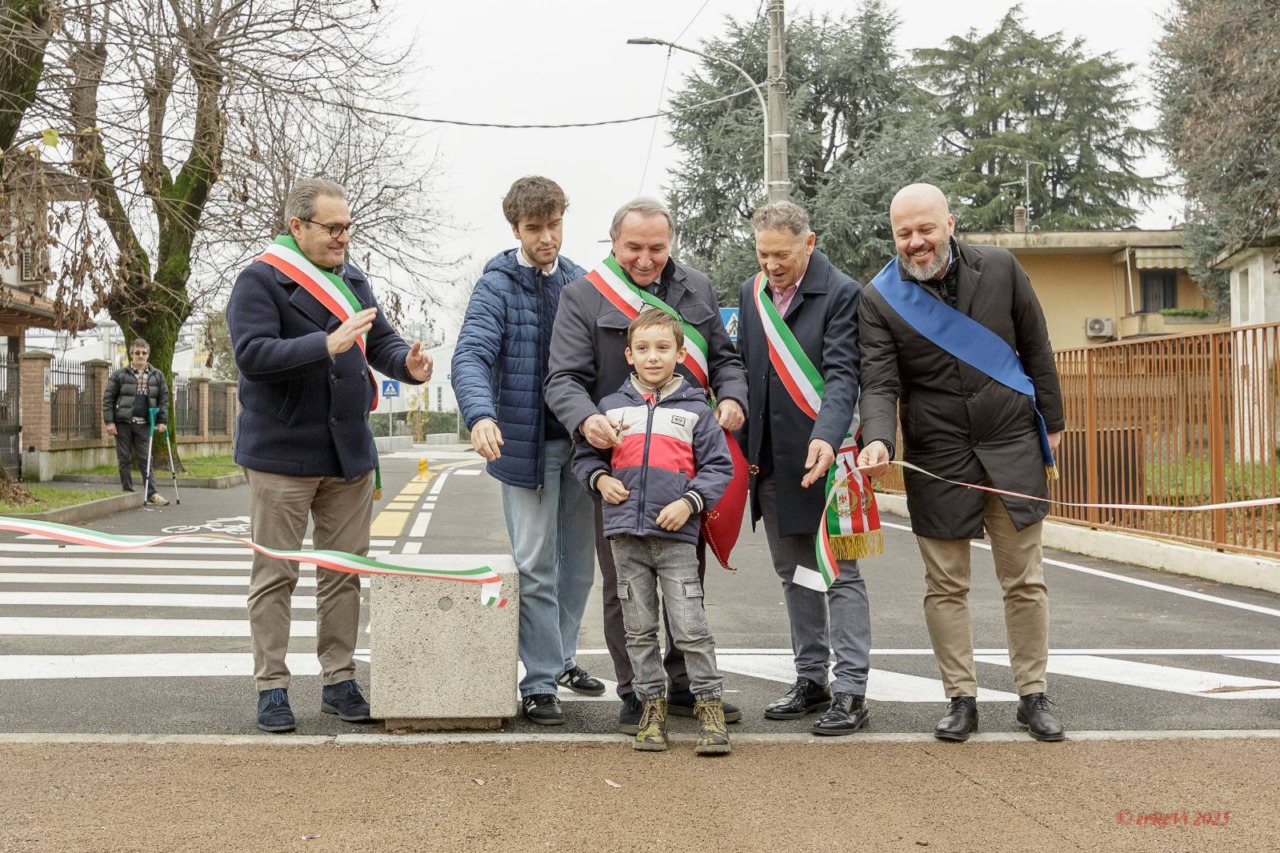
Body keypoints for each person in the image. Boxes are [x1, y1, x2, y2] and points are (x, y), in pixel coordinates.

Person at [857, 182, 1066, 743]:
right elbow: (879, 382)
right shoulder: (878, 298)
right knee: (945, 584)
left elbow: (1037, 349)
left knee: (1024, 579)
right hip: (939, 451)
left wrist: (1055, 427)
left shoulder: (1001, 267)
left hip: (1012, 441)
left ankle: (1033, 694)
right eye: (904, 234)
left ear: (950, 222)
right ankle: (961, 697)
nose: (916, 243)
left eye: (925, 229)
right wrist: (877, 440)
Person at [227, 176, 431, 733]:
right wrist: (325, 343)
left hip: (348, 453)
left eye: (347, 227)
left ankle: (339, 680)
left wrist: (406, 365)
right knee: (276, 574)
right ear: (298, 226)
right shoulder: (259, 280)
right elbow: (252, 353)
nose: (343, 237)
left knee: (345, 573)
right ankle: (272, 686)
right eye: (332, 228)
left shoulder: (354, 279)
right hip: (282, 454)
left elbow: (379, 340)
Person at [546, 196, 748, 734]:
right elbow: (562, 379)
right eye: (634, 247)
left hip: (682, 467)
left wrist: (732, 398)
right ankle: (637, 691)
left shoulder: (697, 288)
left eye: (657, 248)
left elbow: (726, 359)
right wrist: (587, 420)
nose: (645, 258)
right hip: (618, 467)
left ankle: (682, 688)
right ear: (614, 244)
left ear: (670, 244)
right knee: (622, 585)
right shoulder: (583, 296)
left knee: (688, 581)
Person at [451, 176, 602, 727]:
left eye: (554, 224)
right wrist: (480, 414)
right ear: (515, 228)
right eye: (535, 228)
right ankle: (538, 682)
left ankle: (560, 660)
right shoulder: (496, 287)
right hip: (524, 450)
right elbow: (470, 355)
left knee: (579, 568)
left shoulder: (582, 281)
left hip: (582, 448)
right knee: (536, 565)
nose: (547, 237)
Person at [736, 200, 875, 736]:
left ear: (809, 244)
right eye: (763, 254)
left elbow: (843, 377)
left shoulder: (841, 292)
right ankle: (811, 679)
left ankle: (851, 690)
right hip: (771, 460)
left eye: (783, 255)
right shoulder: (753, 295)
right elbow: (747, 370)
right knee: (795, 573)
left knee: (839, 574)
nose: (772, 265)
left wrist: (824, 436)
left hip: (829, 457)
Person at [574, 308, 734, 754]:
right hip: (626, 538)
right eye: (642, 348)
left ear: (681, 353)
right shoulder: (610, 409)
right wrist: (601, 480)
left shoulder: (696, 410)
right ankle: (650, 708)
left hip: (676, 539)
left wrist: (689, 503)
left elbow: (718, 467)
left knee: (690, 628)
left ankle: (709, 708)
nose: (652, 357)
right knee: (639, 629)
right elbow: (585, 459)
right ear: (628, 354)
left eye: (663, 348)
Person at [102, 337, 170, 506]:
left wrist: (162, 421)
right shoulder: (120, 375)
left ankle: (152, 493)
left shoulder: (157, 375)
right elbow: (108, 398)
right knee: (124, 458)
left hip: (145, 424)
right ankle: (128, 491)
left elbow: (164, 400)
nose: (140, 356)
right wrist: (109, 422)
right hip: (123, 423)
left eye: (143, 353)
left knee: (146, 459)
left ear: (148, 355)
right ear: (131, 354)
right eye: (137, 353)